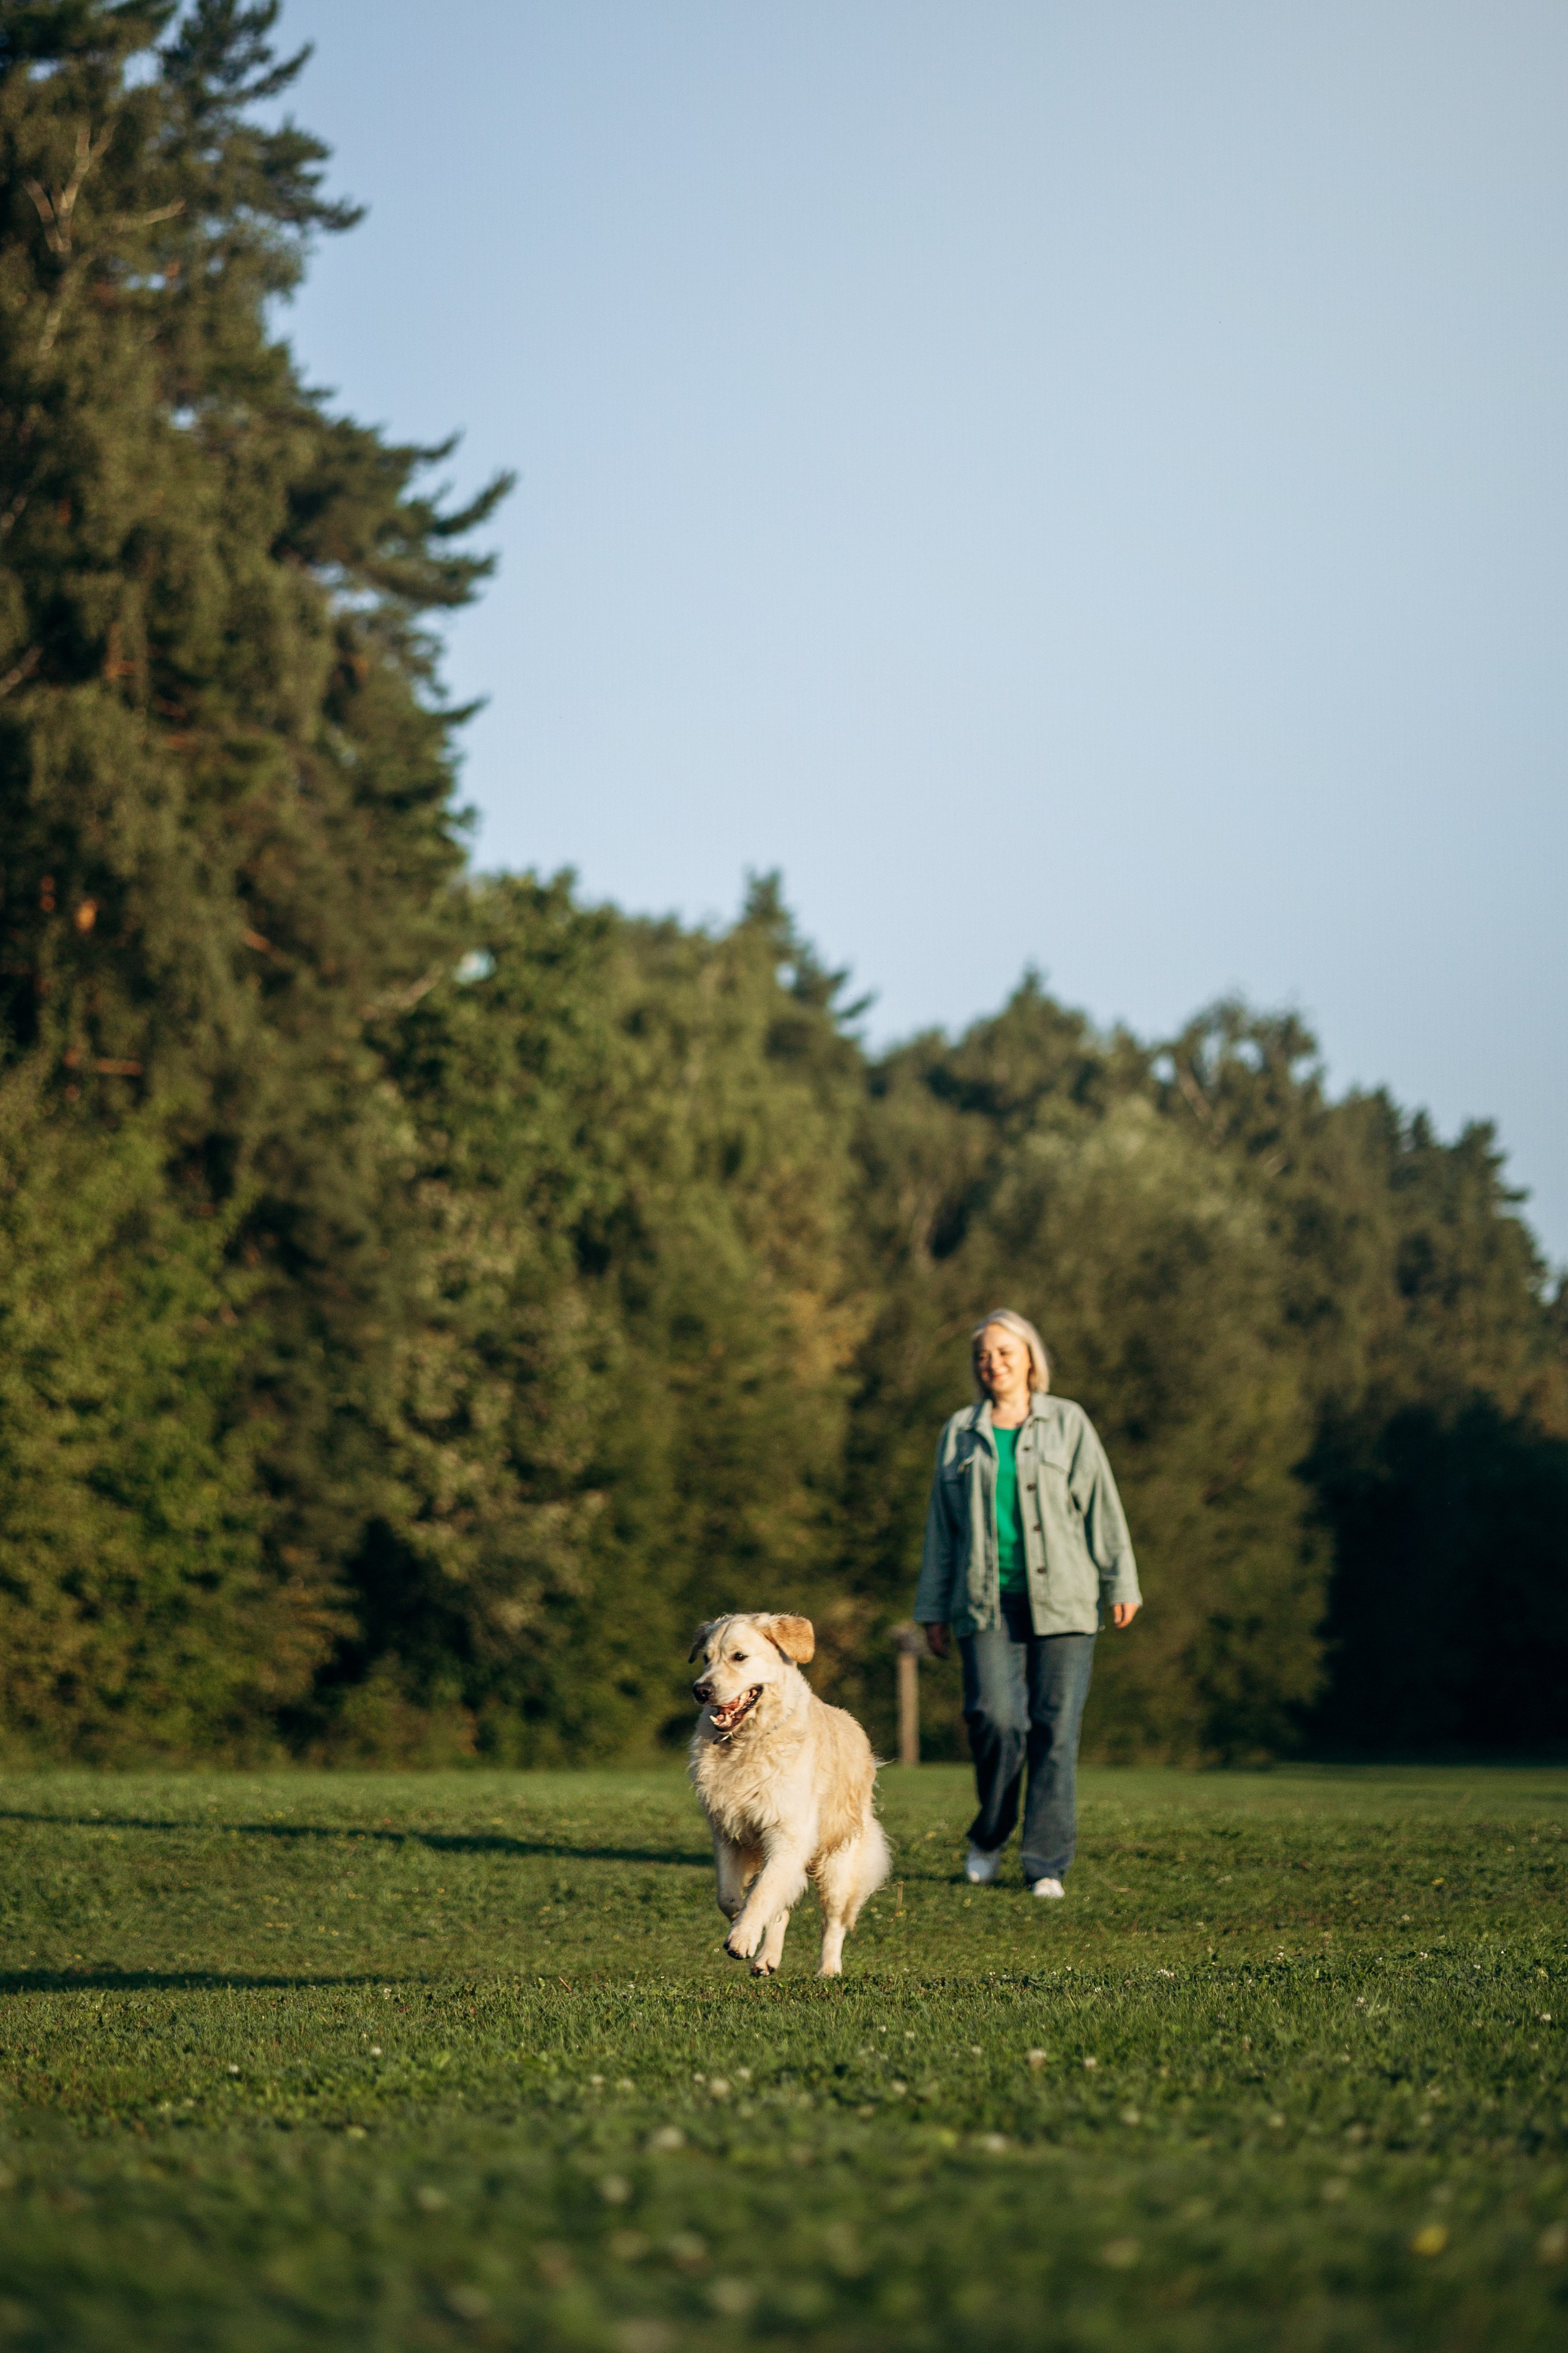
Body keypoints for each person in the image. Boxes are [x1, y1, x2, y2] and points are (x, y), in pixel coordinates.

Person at [914, 1309, 1140, 1898]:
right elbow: (942, 1528)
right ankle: (989, 1833)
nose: (994, 1364)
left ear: (1031, 1359)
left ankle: (1044, 1863)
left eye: (1006, 1352)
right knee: (995, 1718)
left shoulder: (1069, 1422)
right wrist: (932, 1609)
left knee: (1055, 1730)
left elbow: (1103, 1507)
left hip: (1065, 1602)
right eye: (985, 1356)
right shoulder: (959, 1431)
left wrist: (1122, 1582)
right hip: (985, 1603)